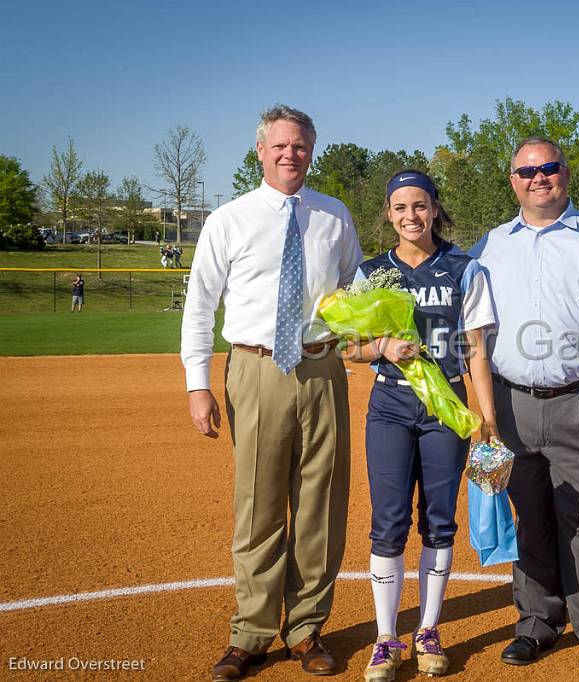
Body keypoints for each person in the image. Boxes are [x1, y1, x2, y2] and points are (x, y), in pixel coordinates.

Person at [181, 105, 362, 682]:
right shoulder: (229, 219)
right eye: (280, 146)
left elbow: (356, 289)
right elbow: (201, 306)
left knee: (321, 505)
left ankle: (307, 628)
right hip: (255, 369)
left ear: (312, 149)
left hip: (323, 367)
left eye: (302, 146)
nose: (291, 155)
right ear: (260, 151)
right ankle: (252, 634)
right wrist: (197, 384)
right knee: (259, 505)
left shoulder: (333, 216)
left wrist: (370, 344)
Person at [471, 137, 579, 679]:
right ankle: (536, 624)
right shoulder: (490, 245)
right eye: (527, 171)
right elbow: (470, 323)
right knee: (529, 518)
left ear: (565, 174)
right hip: (510, 404)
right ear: (513, 181)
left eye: (548, 168)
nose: (538, 178)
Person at [344, 170, 498, 682]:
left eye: (420, 206)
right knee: (388, 523)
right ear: (388, 214)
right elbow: (348, 347)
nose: (411, 216)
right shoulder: (372, 274)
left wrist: (487, 418)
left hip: (446, 409)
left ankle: (429, 630)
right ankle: (386, 639)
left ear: (434, 209)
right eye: (400, 207)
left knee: (439, 520)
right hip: (390, 404)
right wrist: (383, 347)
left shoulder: (464, 268)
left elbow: (476, 350)